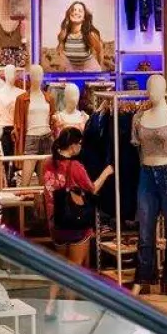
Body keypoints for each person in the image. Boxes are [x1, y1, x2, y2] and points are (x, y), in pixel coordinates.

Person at [41, 128, 110, 320]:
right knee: (75, 267)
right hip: (75, 223)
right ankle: (69, 310)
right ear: (73, 145)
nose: (81, 147)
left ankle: (50, 304)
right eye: (79, 144)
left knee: (60, 265)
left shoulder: (47, 164)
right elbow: (92, 188)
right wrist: (106, 172)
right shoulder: (76, 167)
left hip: (55, 223)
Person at [57, 1, 106, 72]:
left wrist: (100, 71)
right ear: (69, 14)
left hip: (90, 70)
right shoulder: (64, 34)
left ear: (84, 18)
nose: (76, 12)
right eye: (73, 10)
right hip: (72, 71)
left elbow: (100, 51)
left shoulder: (90, 34)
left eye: (80, 11)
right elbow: (60, 52)